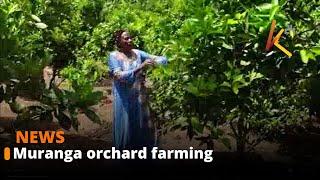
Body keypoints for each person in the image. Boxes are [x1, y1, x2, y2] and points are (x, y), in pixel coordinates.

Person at [108, 30, 168, 150]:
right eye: (126, 38)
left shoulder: (137, 53)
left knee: (144, 128)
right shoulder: (113, 56)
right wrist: (140, 67)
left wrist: (167, 58)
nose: (130, 41)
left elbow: (156, 59)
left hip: (140, 98)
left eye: (130, 38)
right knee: (128, 128)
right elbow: (119, 76)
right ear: (118, 41)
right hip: (124, 100)